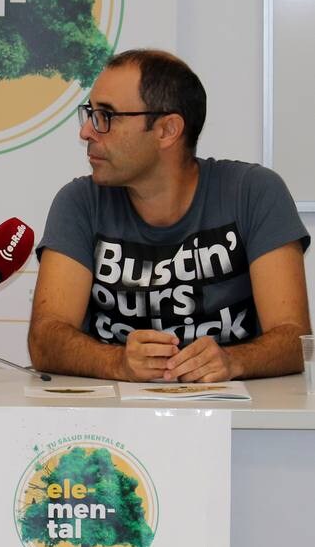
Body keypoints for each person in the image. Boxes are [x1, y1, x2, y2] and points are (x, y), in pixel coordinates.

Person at [29, 49, 310, 382]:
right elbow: (45, 340)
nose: (87, 132)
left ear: (167, 130)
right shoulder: (80, 201)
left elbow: (295, 339)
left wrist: (233, 361)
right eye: (90, 114)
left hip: (235, 419)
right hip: (109, 422)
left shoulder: (254, 193)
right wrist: (118, 362)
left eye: (106, 116)